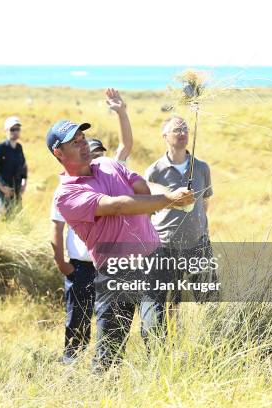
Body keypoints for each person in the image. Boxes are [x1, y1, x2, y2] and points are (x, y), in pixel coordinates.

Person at [48, 118, 194, 370]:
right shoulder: (67, 195)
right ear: (58, 153)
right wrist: (168, 199)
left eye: (83, 139)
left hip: (152, 259)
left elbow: (143, 187)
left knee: (155, 331)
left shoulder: (107, 163)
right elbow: (118, 205)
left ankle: (162, 388)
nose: (83, 145)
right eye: (75, 142)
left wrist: (172, 193)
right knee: (110, 350)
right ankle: (103, 392)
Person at [50, 88, 132, 363]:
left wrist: (120, 112)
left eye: (95, 150)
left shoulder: (110, 173)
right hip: (82, 263)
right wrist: (61, 261)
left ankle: (106, 367)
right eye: (84, 147)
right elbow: (57, 227)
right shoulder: (67, 190)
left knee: (110, 320)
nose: (93, 155)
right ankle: (71, 363)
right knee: (78, 317)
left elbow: (125, 147)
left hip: (111, 262)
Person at [144, 116, 214, 303]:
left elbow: (204, 203)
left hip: (198, 244)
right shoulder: (154, 171)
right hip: (165, 246)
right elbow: (147, 210)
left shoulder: (201, 168)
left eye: (185, 129)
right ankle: (172, 333)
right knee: (169, 299)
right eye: (177, 130)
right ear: (164, 136)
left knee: (208, 298)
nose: (182, 133)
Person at [0, 116, 27, 217]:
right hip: (3, 194)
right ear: (6, 131)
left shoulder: (19, 147)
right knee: (3, 223)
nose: (15, 132)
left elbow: (24, 166)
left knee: (18, 223)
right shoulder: (0, 148)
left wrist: (24, 182)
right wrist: (2, 188)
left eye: (18, 129)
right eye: (12, 129)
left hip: (16, 194)